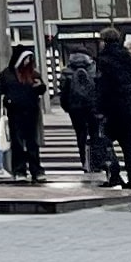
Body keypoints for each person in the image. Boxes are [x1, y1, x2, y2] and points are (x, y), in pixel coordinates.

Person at [93, 26, 131, 189]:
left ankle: (114, 174)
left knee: (105, 143)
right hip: (129, 109)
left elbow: (102, 87)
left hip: (111, 109)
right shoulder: (130, 59)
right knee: (129, 145)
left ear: (103, 41)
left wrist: (99, 109)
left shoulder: (103, 60)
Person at [0, 46, 47, 183]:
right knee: (18, 143)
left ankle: (35, 169)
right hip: (15, 112)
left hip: (31, 111)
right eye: (26, 58)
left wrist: (40, 87)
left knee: (32, 142)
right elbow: (2, 90)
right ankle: (19, 170)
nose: (28, 61)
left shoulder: (33, 73)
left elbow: (41, 89)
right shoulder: (8, 74)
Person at [58, 48, 102, 176]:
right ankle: (97, 162)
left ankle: (85, 161)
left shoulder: (67, 71)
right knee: (95, 134)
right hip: (92, 107)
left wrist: (66, 107)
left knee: (80, 134)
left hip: (75, 108)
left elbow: (63, 93)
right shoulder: (94, 68)